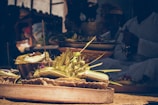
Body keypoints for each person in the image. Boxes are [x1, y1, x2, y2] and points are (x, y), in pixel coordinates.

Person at [91, 0, 158, 85]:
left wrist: (138, 43)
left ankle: (136, 81)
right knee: (105, 62)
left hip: (145, 64)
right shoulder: (130, 24)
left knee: (153, 64)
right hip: (128, 63)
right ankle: (120, 78)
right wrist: (127, 51)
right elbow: (119, 50)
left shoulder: (156, 21)